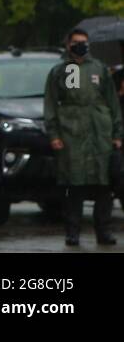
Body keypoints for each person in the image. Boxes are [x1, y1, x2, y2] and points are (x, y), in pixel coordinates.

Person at [44, 28, 123, 247]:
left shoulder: (99, 69)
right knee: (74, 185)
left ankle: (103, 232)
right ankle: (72, 233)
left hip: (99, 133)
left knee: (103, 186)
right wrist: (54, 134)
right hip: (72, 134)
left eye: (85, 42)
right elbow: (50, 105)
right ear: (69, 45)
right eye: (77, 42)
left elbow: (113, 103)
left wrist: (117, 134)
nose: (81, 46)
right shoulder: (62, 71)